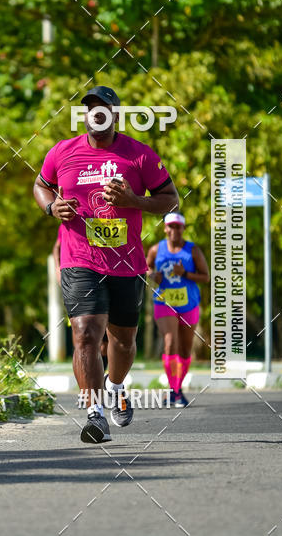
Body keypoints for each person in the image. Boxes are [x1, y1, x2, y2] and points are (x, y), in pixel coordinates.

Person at [33, 84, 179, 444]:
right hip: (79, 258)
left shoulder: (139, 155)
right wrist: (51, 206)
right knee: (85, 333)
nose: (96, 113)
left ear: (115, 115)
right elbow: (40, 185)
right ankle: (95, 414)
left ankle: (114, 386)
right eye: (90, 108)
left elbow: (170, 199)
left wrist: (134, 201)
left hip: (127, 263)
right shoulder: (63, 151)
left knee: (123, 342)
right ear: (85, 115)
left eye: (104, 108)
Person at [146, 212, 210, 408]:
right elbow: (146, 267)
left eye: (178, 226)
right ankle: (174, 391)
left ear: (183, 228)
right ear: (165, 228)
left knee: (184, 349)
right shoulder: (156, 249)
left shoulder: (193, 251)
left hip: (189, 304)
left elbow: (206, 277)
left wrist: (186, 274)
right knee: (170, 342)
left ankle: (177, 388)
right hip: (164, 302)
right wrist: (153, 275)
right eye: (171, 226)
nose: (174, 230)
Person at [52, 231, 108, 369]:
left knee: (105, 344)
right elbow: (57, 247)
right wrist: (58, 270)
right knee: (82, 338)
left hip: (108, 276)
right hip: (81, 280)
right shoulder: (70, 224)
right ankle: (88, 379)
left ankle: (105, 376)